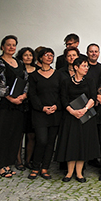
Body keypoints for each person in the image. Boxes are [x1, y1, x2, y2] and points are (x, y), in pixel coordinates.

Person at [0, 35, 28, 178]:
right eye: (8, 45)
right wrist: (11, 98)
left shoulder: (19, 63)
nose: (11, 47)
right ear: (2, 46)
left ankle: (8, 163)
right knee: (1, 134)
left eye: (14, 45)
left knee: (14, 134)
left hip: (18, 105)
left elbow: (26, 81)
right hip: (3, 105)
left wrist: (23, 96)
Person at [55, 56, 100, 183]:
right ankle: (69, 172)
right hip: (71, 116)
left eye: (87, 66)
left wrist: (85, 109)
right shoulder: (66, 82)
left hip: (86, 115)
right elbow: (63, 99)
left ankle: (79, 173)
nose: (86, 68)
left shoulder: (90, 81)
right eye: (84, 66)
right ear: (76, 67)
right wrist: (73, 111)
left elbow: (93, 96)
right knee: (71, 143)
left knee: (82, 143)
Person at [27, 48, 62, 180]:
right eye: (47, 55)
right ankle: (35, 167)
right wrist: (42, 108)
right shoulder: (34, 76)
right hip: (40, 113)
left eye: (51, 55)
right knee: (41, 140)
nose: (49, 57)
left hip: (55, 113)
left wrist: (56, 106)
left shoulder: (58, 75)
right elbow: (33, 95)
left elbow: (61, 93)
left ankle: (45, 168)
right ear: (40, 58)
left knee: (50, 142)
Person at [16, 47, 37, 171]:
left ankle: (28, 160)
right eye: (25, 55)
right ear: (21, 57)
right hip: (19, 104)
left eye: (30, 55)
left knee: (31, 135)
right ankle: (18, 161)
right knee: (19, 134)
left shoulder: (37, 70)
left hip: (32, 107)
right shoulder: (18, 70)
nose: (28, 57)